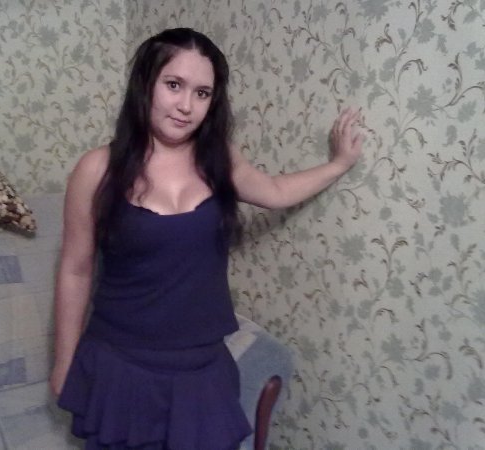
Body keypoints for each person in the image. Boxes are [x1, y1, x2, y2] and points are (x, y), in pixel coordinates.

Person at [50, 27, 364, 450]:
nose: (186, 106)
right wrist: (64, 360)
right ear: (146, 83)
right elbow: (75, 270)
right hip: (120, 363)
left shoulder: (220, 160)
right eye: (173, 85)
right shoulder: (96, 169)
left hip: (202, 367)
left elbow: (275, 191)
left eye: (202, 93)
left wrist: (339, 164)